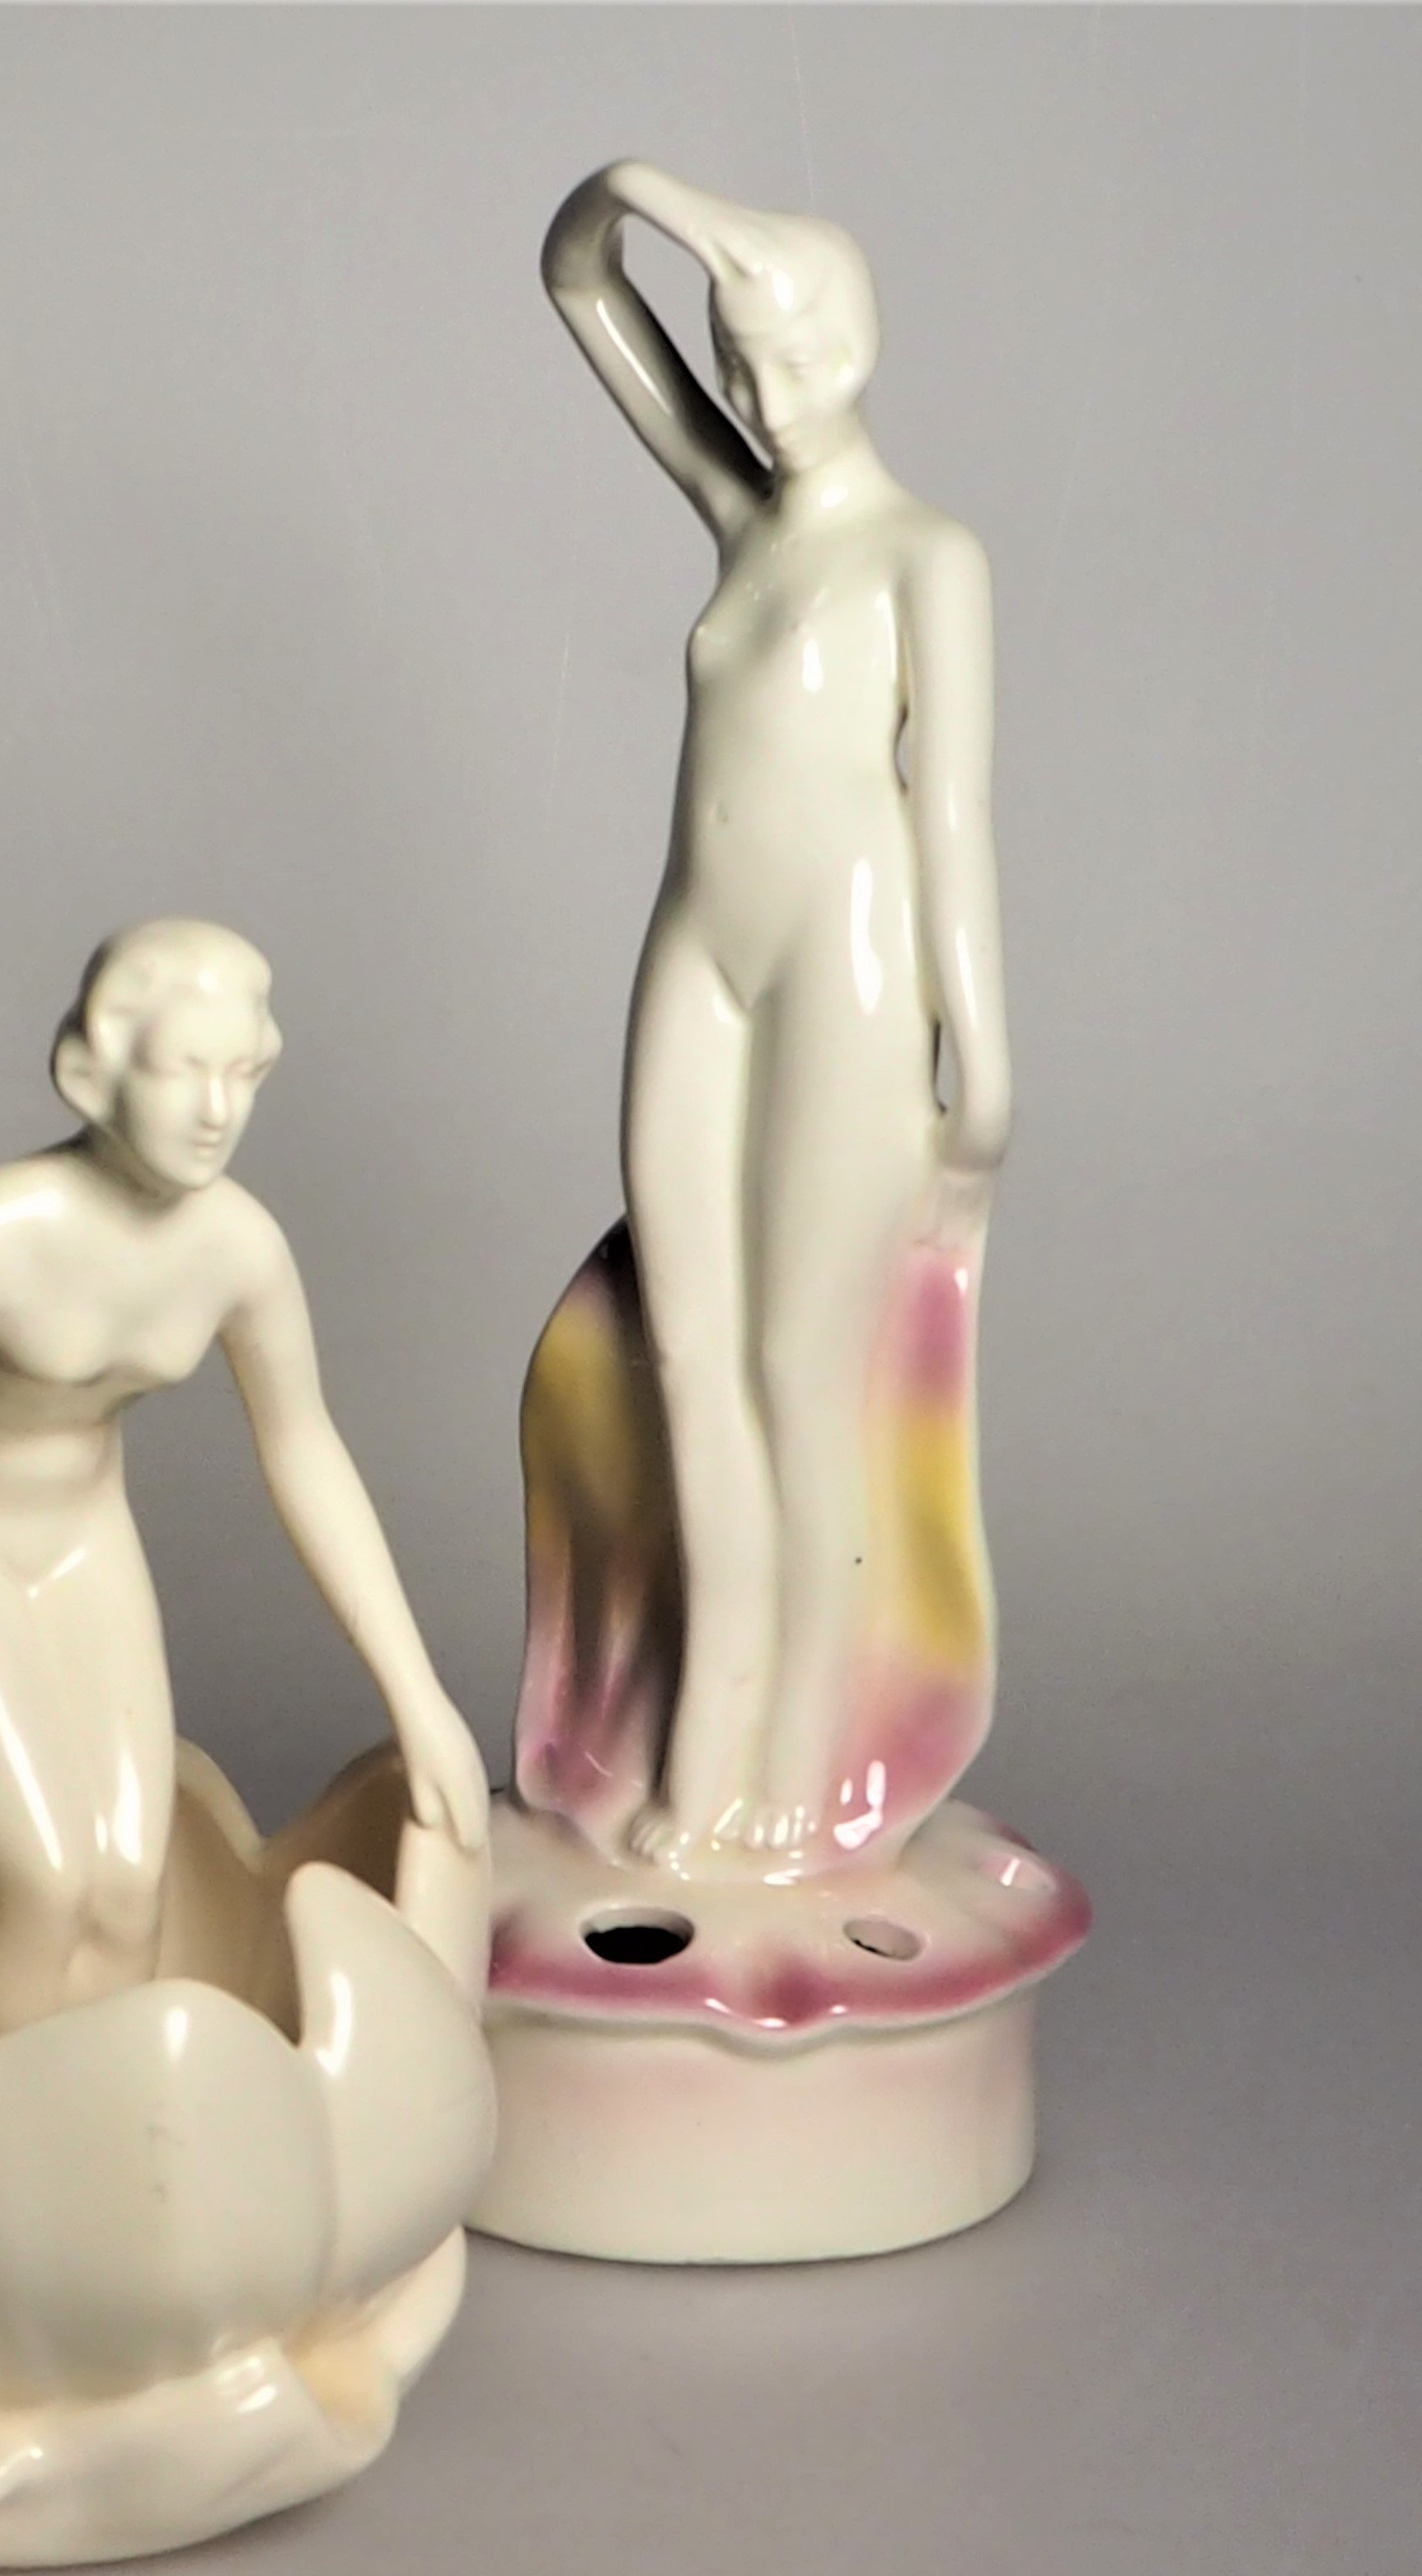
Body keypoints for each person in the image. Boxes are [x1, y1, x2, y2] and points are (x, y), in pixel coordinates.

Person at [0, 919, 488, 2038]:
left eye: (242, 1075)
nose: (217, 1110)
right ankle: (8, 2122)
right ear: (91, 1075)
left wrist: (420, 1702)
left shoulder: (241, 1250)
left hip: (81, 1538)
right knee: (43, 1880)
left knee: (129, 1879)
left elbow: (304, 1451)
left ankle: (115, 2125)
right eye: (183, 1072)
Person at [541, 163, 1011, 1867]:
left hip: (848, 965)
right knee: (687, 1362)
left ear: (863, 349)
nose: (765, 399)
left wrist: (984, 1082)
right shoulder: (743, 518)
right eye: (742, 367)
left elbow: (952, 814)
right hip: (699, 954)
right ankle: (700, 1751)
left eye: (800, 363)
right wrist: (647, 194)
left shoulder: (924, 558)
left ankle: (797, 1770)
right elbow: (577, 281)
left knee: (802, 1379)